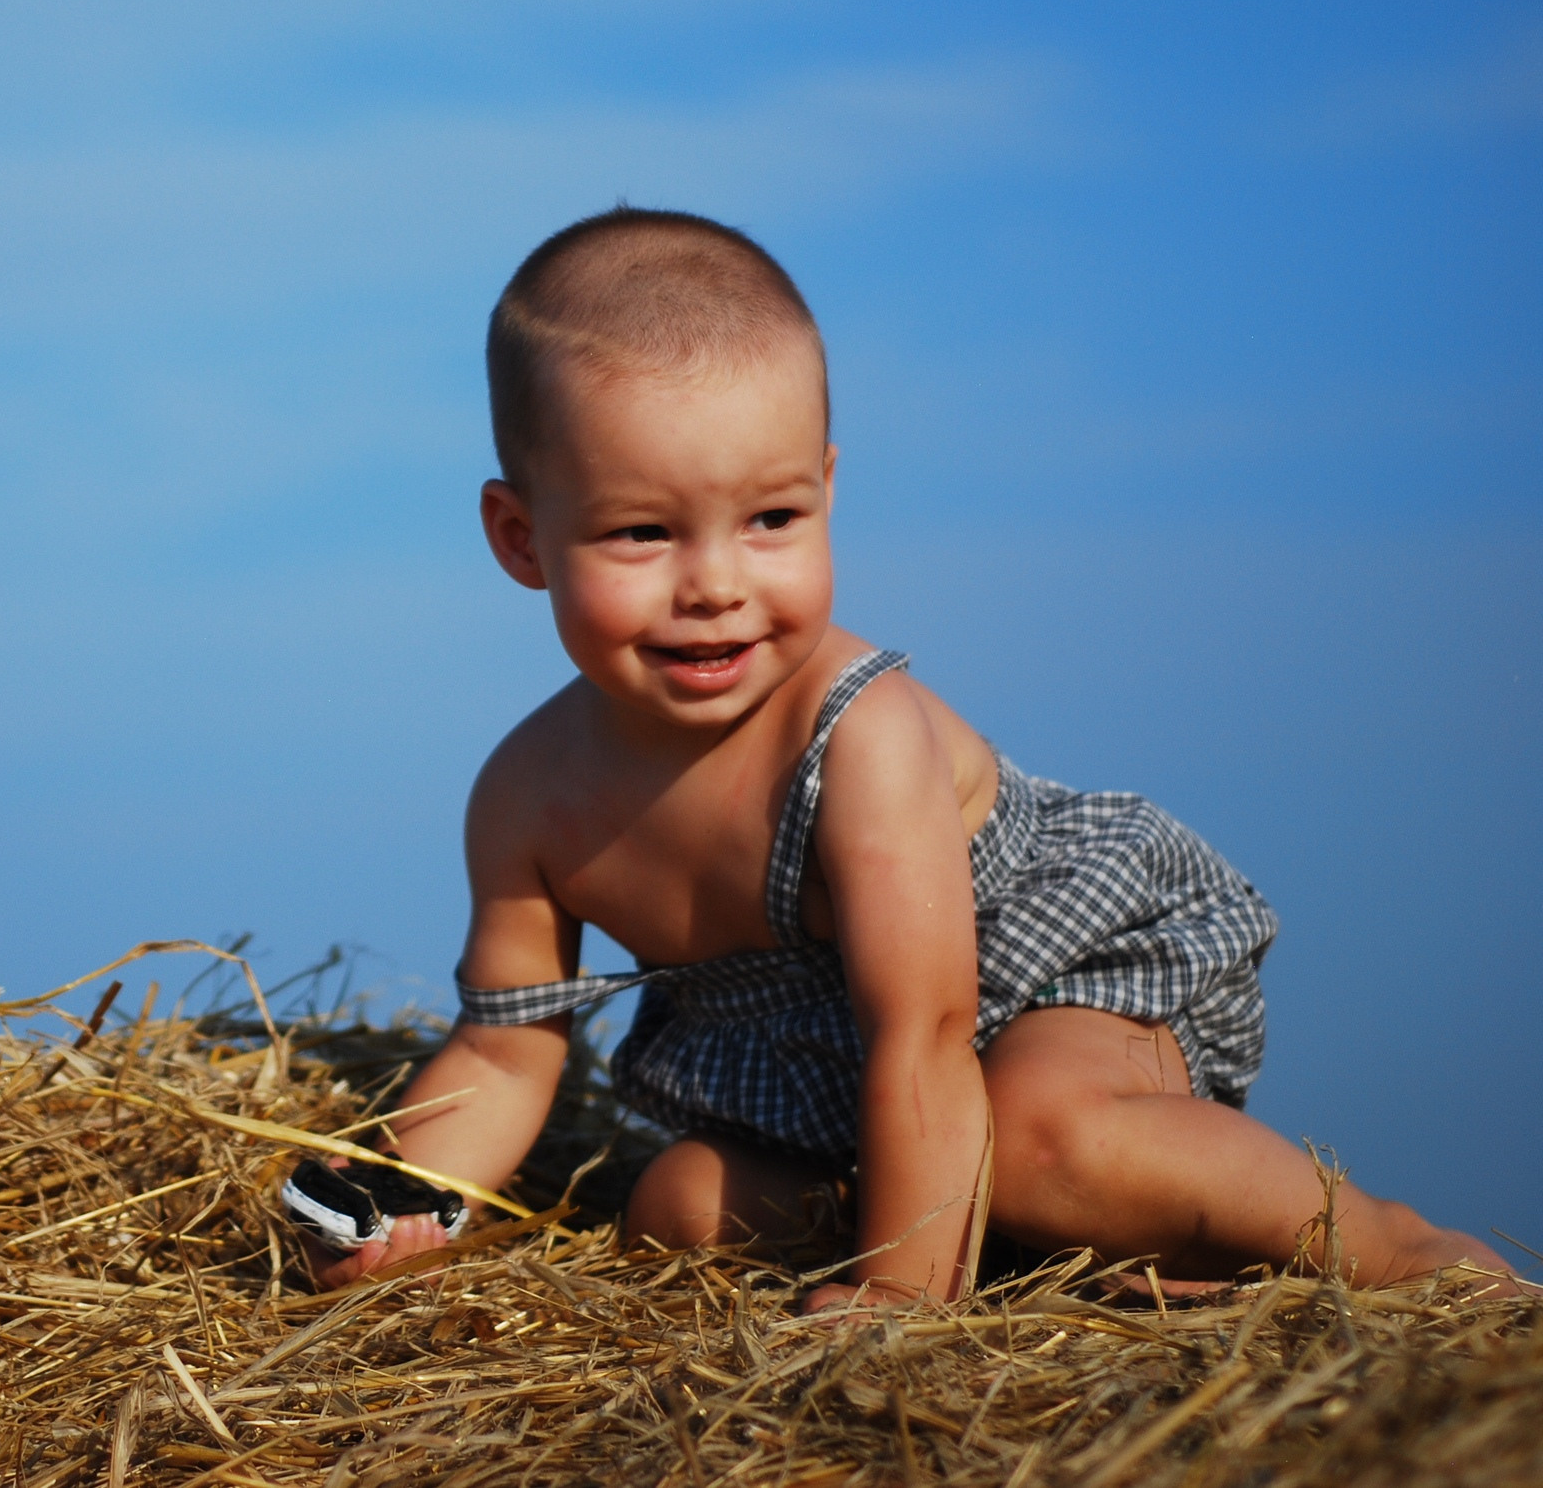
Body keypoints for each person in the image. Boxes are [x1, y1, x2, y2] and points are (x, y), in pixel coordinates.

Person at [313, 207, 1511, 1309]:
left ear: (827, 489)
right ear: (521, 537)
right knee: (677, 1207)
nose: (716, 584)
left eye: (772, 519)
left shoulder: (856, 735)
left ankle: (1399, 1253)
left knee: (1039, 1139)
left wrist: (899, 1302)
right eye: (642, 532)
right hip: (840, 1093)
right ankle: (1030, 1272)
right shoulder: (529, 796)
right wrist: (405, 1205)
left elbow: (925, 1033)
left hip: (1043, 983)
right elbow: (504, 1049)